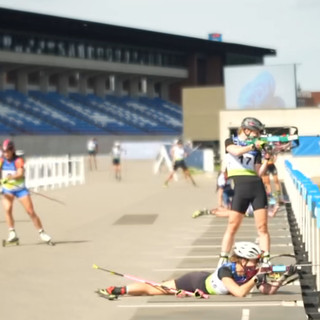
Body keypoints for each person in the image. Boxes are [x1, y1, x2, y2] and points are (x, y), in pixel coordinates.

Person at [96, 242, 296, 299]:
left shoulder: (250, 272)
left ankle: (120, 290)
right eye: (254, 261)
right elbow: (240, 293)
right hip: (194, 282)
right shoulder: (227, 271)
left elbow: (268, 291)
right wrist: (258, 278)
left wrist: (286, 275)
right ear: (242, 261)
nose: (256, 264)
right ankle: (118, 290)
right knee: (154, 289)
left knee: (157, 288)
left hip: (202, 282)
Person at [218, 117, 271, 267]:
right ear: (246, 130)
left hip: (256, 187)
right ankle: (223, 257)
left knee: (262, 227)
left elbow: (258, 172)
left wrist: (267, 159)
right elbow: (235, 151)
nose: (257, 134)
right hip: (240, 188)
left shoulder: (257, 147)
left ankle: (266, 259)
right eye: (256, 132)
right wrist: (252, 146)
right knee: (232, 225)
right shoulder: (230, 141)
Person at [0, 139, 52, 244]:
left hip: (20, 190)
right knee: (8, 209)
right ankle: (12, 232)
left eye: (7, 152)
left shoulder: (18, 160)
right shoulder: (1, 160)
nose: (6, 154)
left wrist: (10, 177)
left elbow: (20, 174)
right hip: (8, 190)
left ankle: (42, 232)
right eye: (4, 152)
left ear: (12, 150)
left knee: (30, 211)